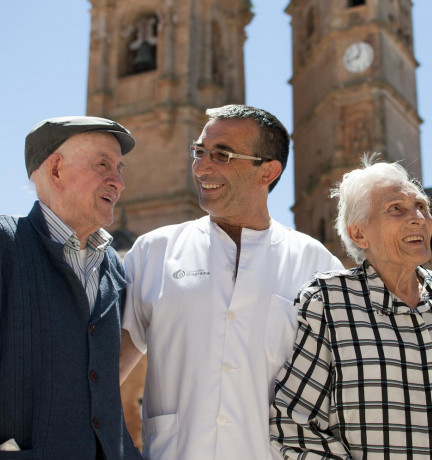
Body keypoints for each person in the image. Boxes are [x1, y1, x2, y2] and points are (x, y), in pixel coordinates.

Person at [119, 104, 343, 459]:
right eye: (199, 151)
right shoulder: (153, 252)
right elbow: (104, 371)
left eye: (222, 154)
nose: (201, 166)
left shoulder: (317, 265)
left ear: (267, 171)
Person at [269, 156, 432, 459]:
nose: (418, 217)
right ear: (358, 234)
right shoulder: (328, 304)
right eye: (397, 209)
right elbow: (294, 426)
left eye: (422, 206)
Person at [0, 116, 142, 459]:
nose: (118, 182)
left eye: (120, 168)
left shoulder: (113, 271)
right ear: (56, 170)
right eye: (103, 164)